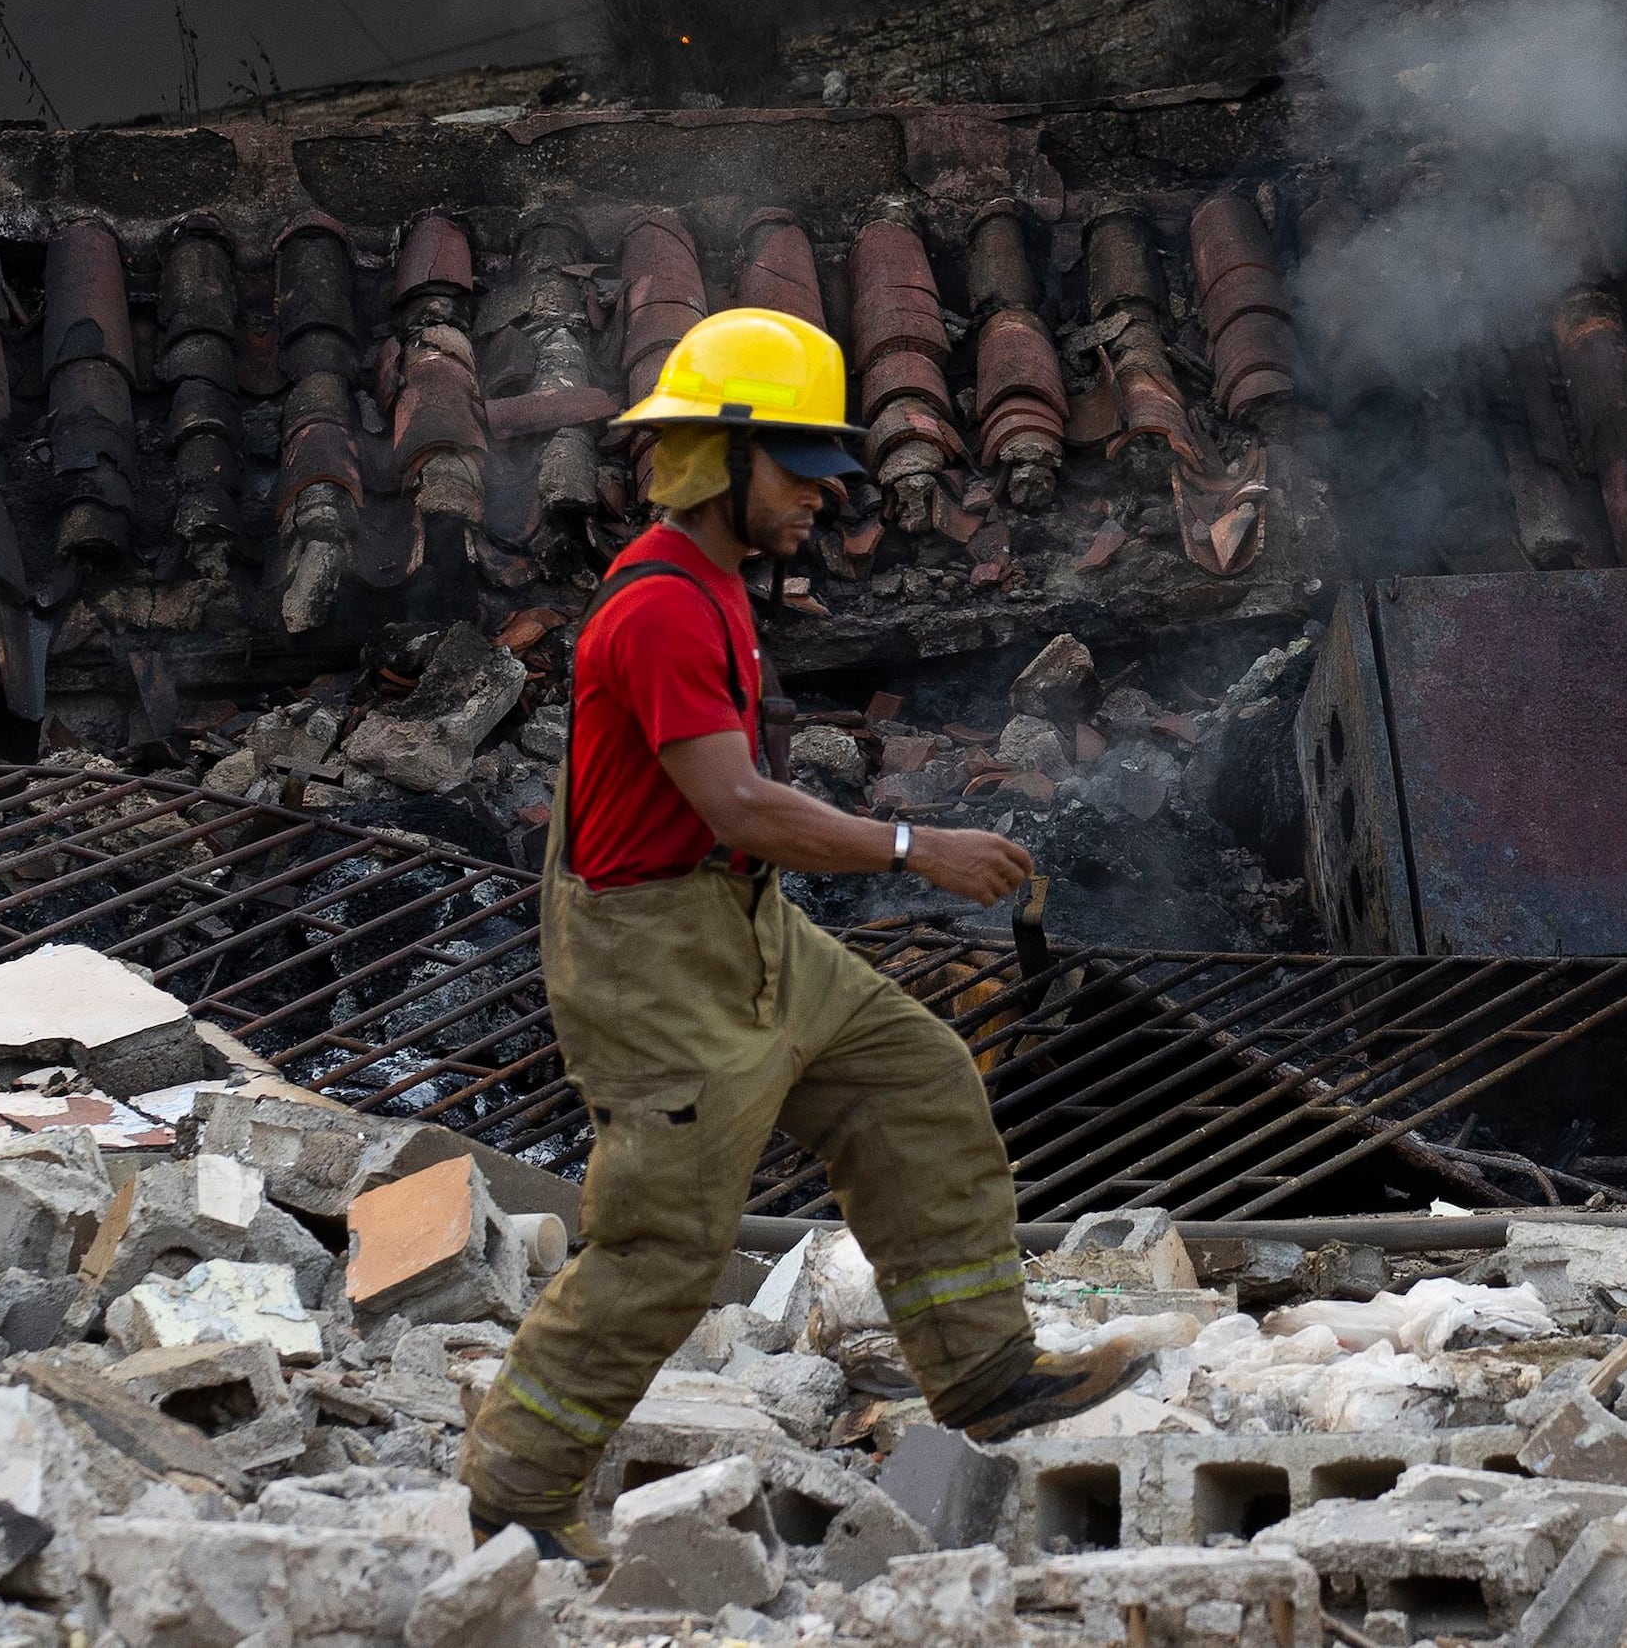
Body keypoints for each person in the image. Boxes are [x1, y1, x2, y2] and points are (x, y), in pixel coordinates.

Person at [460, 304, 1144, 1545]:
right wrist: (912, 848)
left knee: (914, 1080)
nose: (824, 497)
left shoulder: (714, 583)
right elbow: (737, 803)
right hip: (650, 961)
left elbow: (736, 826)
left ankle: (987, 1377)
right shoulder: (658, 611)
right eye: (798, 470)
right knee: (662, 1245)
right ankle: (513, 1491)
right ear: (716, 459)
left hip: (737, 919)